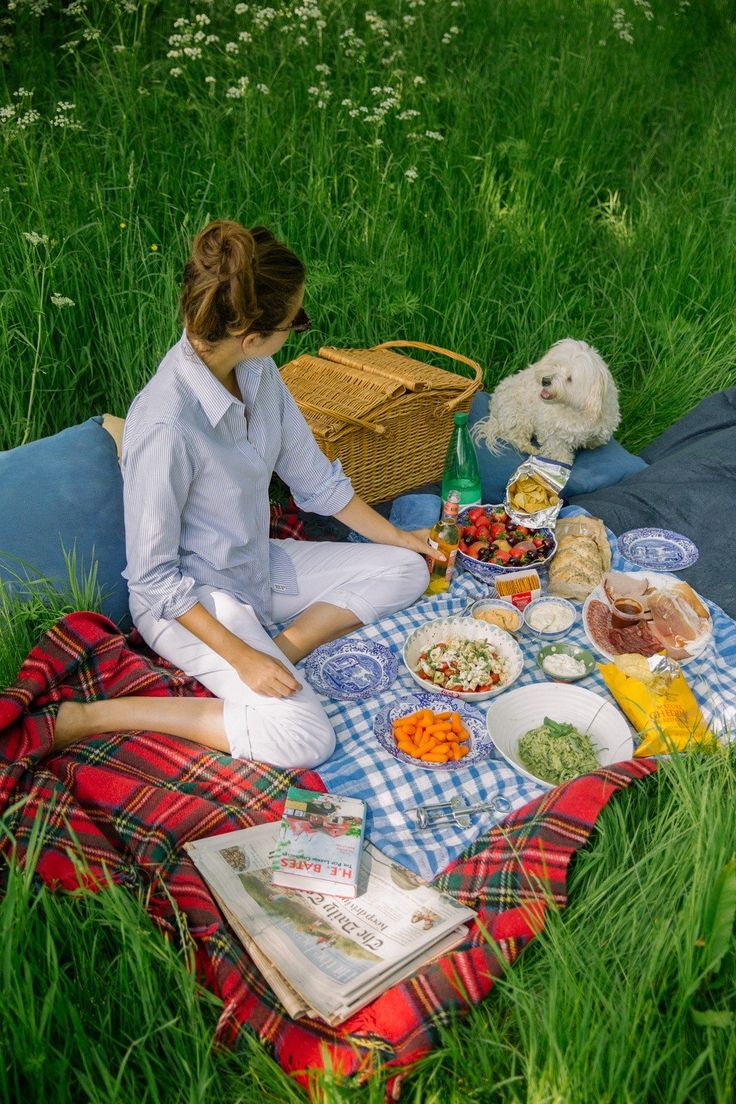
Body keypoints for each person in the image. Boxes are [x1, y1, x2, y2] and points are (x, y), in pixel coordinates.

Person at [55, 219, 439, 767]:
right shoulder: (167, 423)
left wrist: (401, 537)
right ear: (251, 334)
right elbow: (153, 578)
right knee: (307, 739)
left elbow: (314, 480)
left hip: (255, 563)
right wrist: (240, 656)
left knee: (406, 568)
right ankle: (95, 715)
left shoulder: (257, 371)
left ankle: (284, 648)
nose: (296, 329)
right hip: (192, 600)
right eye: (295, 322)